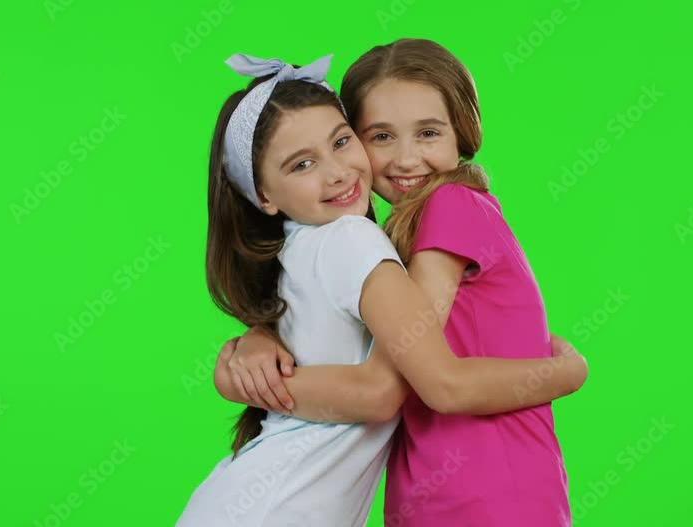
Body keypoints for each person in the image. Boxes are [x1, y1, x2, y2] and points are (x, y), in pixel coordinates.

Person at [216, 39, 579, 526]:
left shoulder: (449, 206)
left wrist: (567, 373)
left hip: (486, 494)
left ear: (461, 132)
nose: (407, 159)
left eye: (428, 133)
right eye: (381, 136)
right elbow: (348, 338)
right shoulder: (386, 237)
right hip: (437, 491)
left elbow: (421, 384)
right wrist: (260, 337)